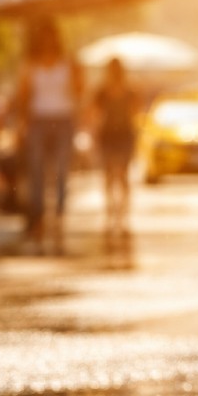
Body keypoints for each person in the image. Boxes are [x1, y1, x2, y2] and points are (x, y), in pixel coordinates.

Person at [15, 19, 83, 255]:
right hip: (38, 121)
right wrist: (22, 125)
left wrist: (77, 69)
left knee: (62, 172)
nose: (48, 41)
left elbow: (79, 91)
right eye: (43, 36)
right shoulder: (30, 65)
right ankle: (40, 224)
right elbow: (23, 98)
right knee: (37, 173)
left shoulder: (68, 63)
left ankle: (59, 226)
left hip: (64, 119)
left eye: (51, 35)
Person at [90, 57, 139, 260]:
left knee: (122, 176)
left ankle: (122, 218)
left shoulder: (130, 91)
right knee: (110, 176)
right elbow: (94, 114)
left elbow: (136, 112)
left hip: (124, 135)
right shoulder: (102, 92)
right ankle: (112, 216)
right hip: (108, 136)